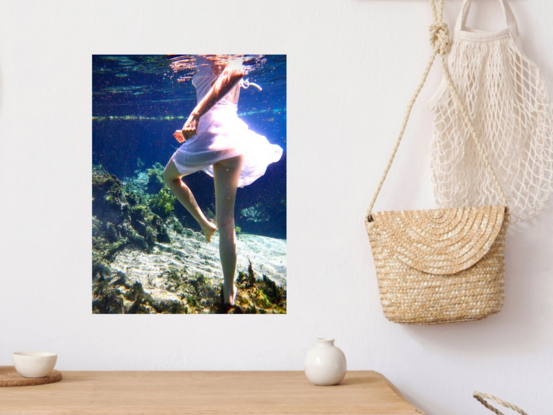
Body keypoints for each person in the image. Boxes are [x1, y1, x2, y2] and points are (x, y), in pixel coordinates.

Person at [163, 55, 283, 312]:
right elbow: (222, 89)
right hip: (231, 138)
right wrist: (191, 124)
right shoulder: (226, 56)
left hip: (208, 138)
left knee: (169, 178)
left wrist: (194, 116)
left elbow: (234, 74)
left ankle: (204, 224)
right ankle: (229, 293)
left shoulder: (225, 53)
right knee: (226, 221)